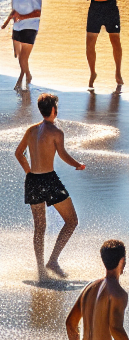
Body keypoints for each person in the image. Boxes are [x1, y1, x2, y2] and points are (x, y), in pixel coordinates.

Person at [15, 93, 84, 279]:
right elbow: (63, 155)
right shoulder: (56, 132)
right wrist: (77, 164)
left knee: (40, 227)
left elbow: (19, 153)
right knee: (72, 221)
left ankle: (40, 270)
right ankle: (52, 260)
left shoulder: (31, 130)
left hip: (33, 181)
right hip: (49, 180)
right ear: (54, 109)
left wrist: (29, 172)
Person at [79, 0, 129, 90]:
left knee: (115, 41)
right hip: (95, 8)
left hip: (110, 8)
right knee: (90, 43)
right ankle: (92, 73)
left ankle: (118, 73)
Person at [4, 0, 41, 91]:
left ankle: (22, 78)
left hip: (30, 27)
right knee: (19, 57)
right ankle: (28, 75)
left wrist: (22, 17)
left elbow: (37, 13)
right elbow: (14, 11)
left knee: (23, 58)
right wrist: (8, 21)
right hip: (17, 28)